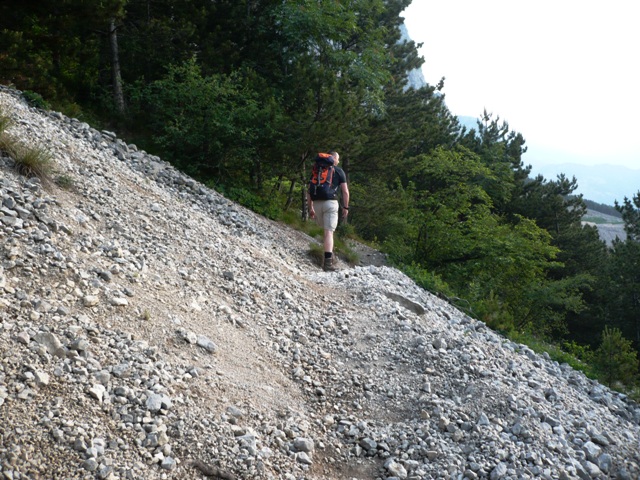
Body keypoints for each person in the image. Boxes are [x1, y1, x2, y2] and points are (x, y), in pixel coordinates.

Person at [307, 151, 350, 271]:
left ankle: (329, 253)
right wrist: (345, 207)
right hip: (331, 203)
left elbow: (309, 190)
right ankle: (328, 264)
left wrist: (310, 207)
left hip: (316, 203)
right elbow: (345, 192)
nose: (339, 161)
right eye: (338, 159)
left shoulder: (317, 170)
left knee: (325, 231)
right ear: (334, 159)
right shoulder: (339, 171)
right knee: (329, 232)